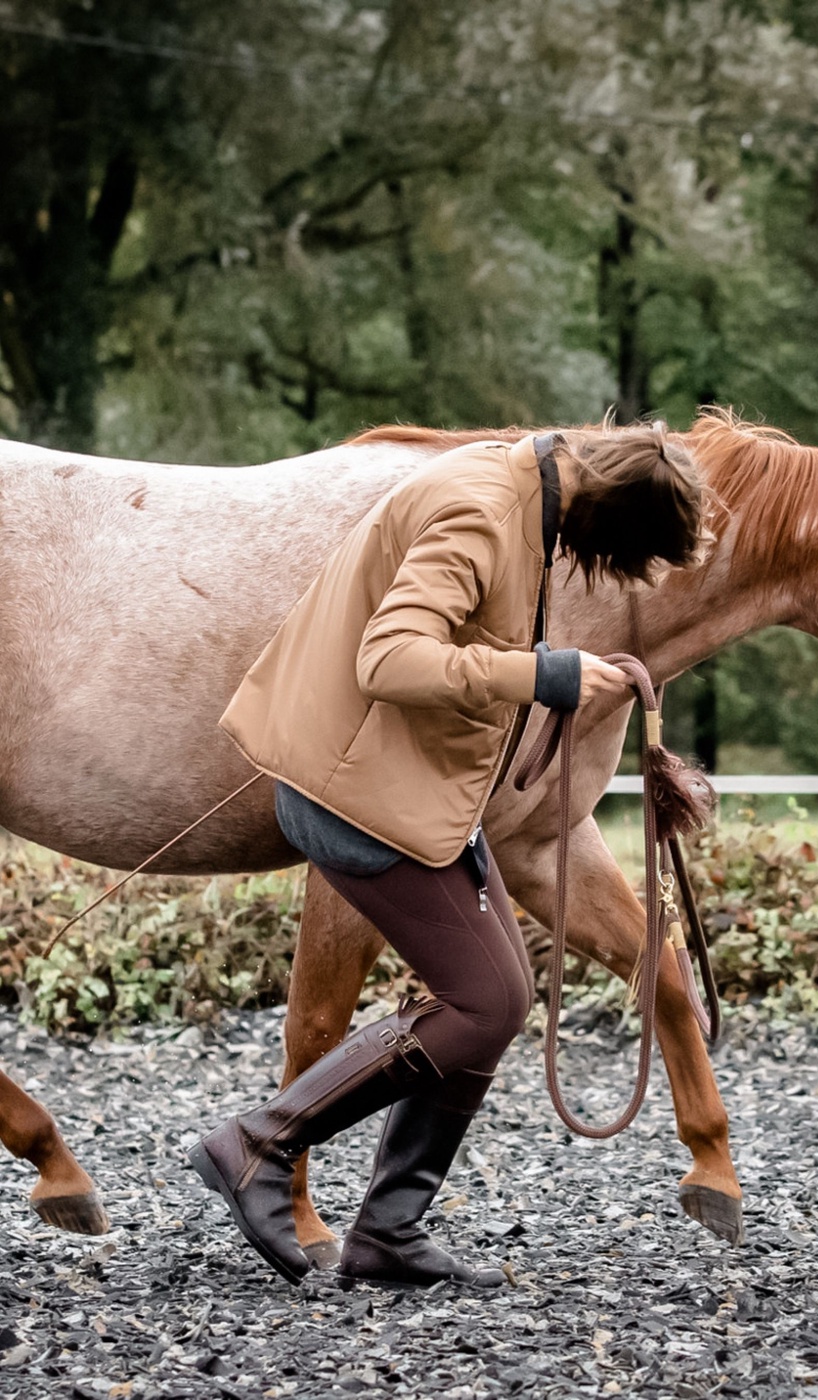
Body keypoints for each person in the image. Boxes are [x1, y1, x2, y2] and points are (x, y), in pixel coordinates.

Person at [189, 424, 707, 1289]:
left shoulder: (524, 487)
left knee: (497, 994)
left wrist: (556, 670)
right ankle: (256, 1143)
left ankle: (388, 1231)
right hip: (353, 789)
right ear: (608, 516)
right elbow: (390, 658)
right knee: (487, 1001)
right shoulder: (480, 512)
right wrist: (544, 675)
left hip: (409, 785)